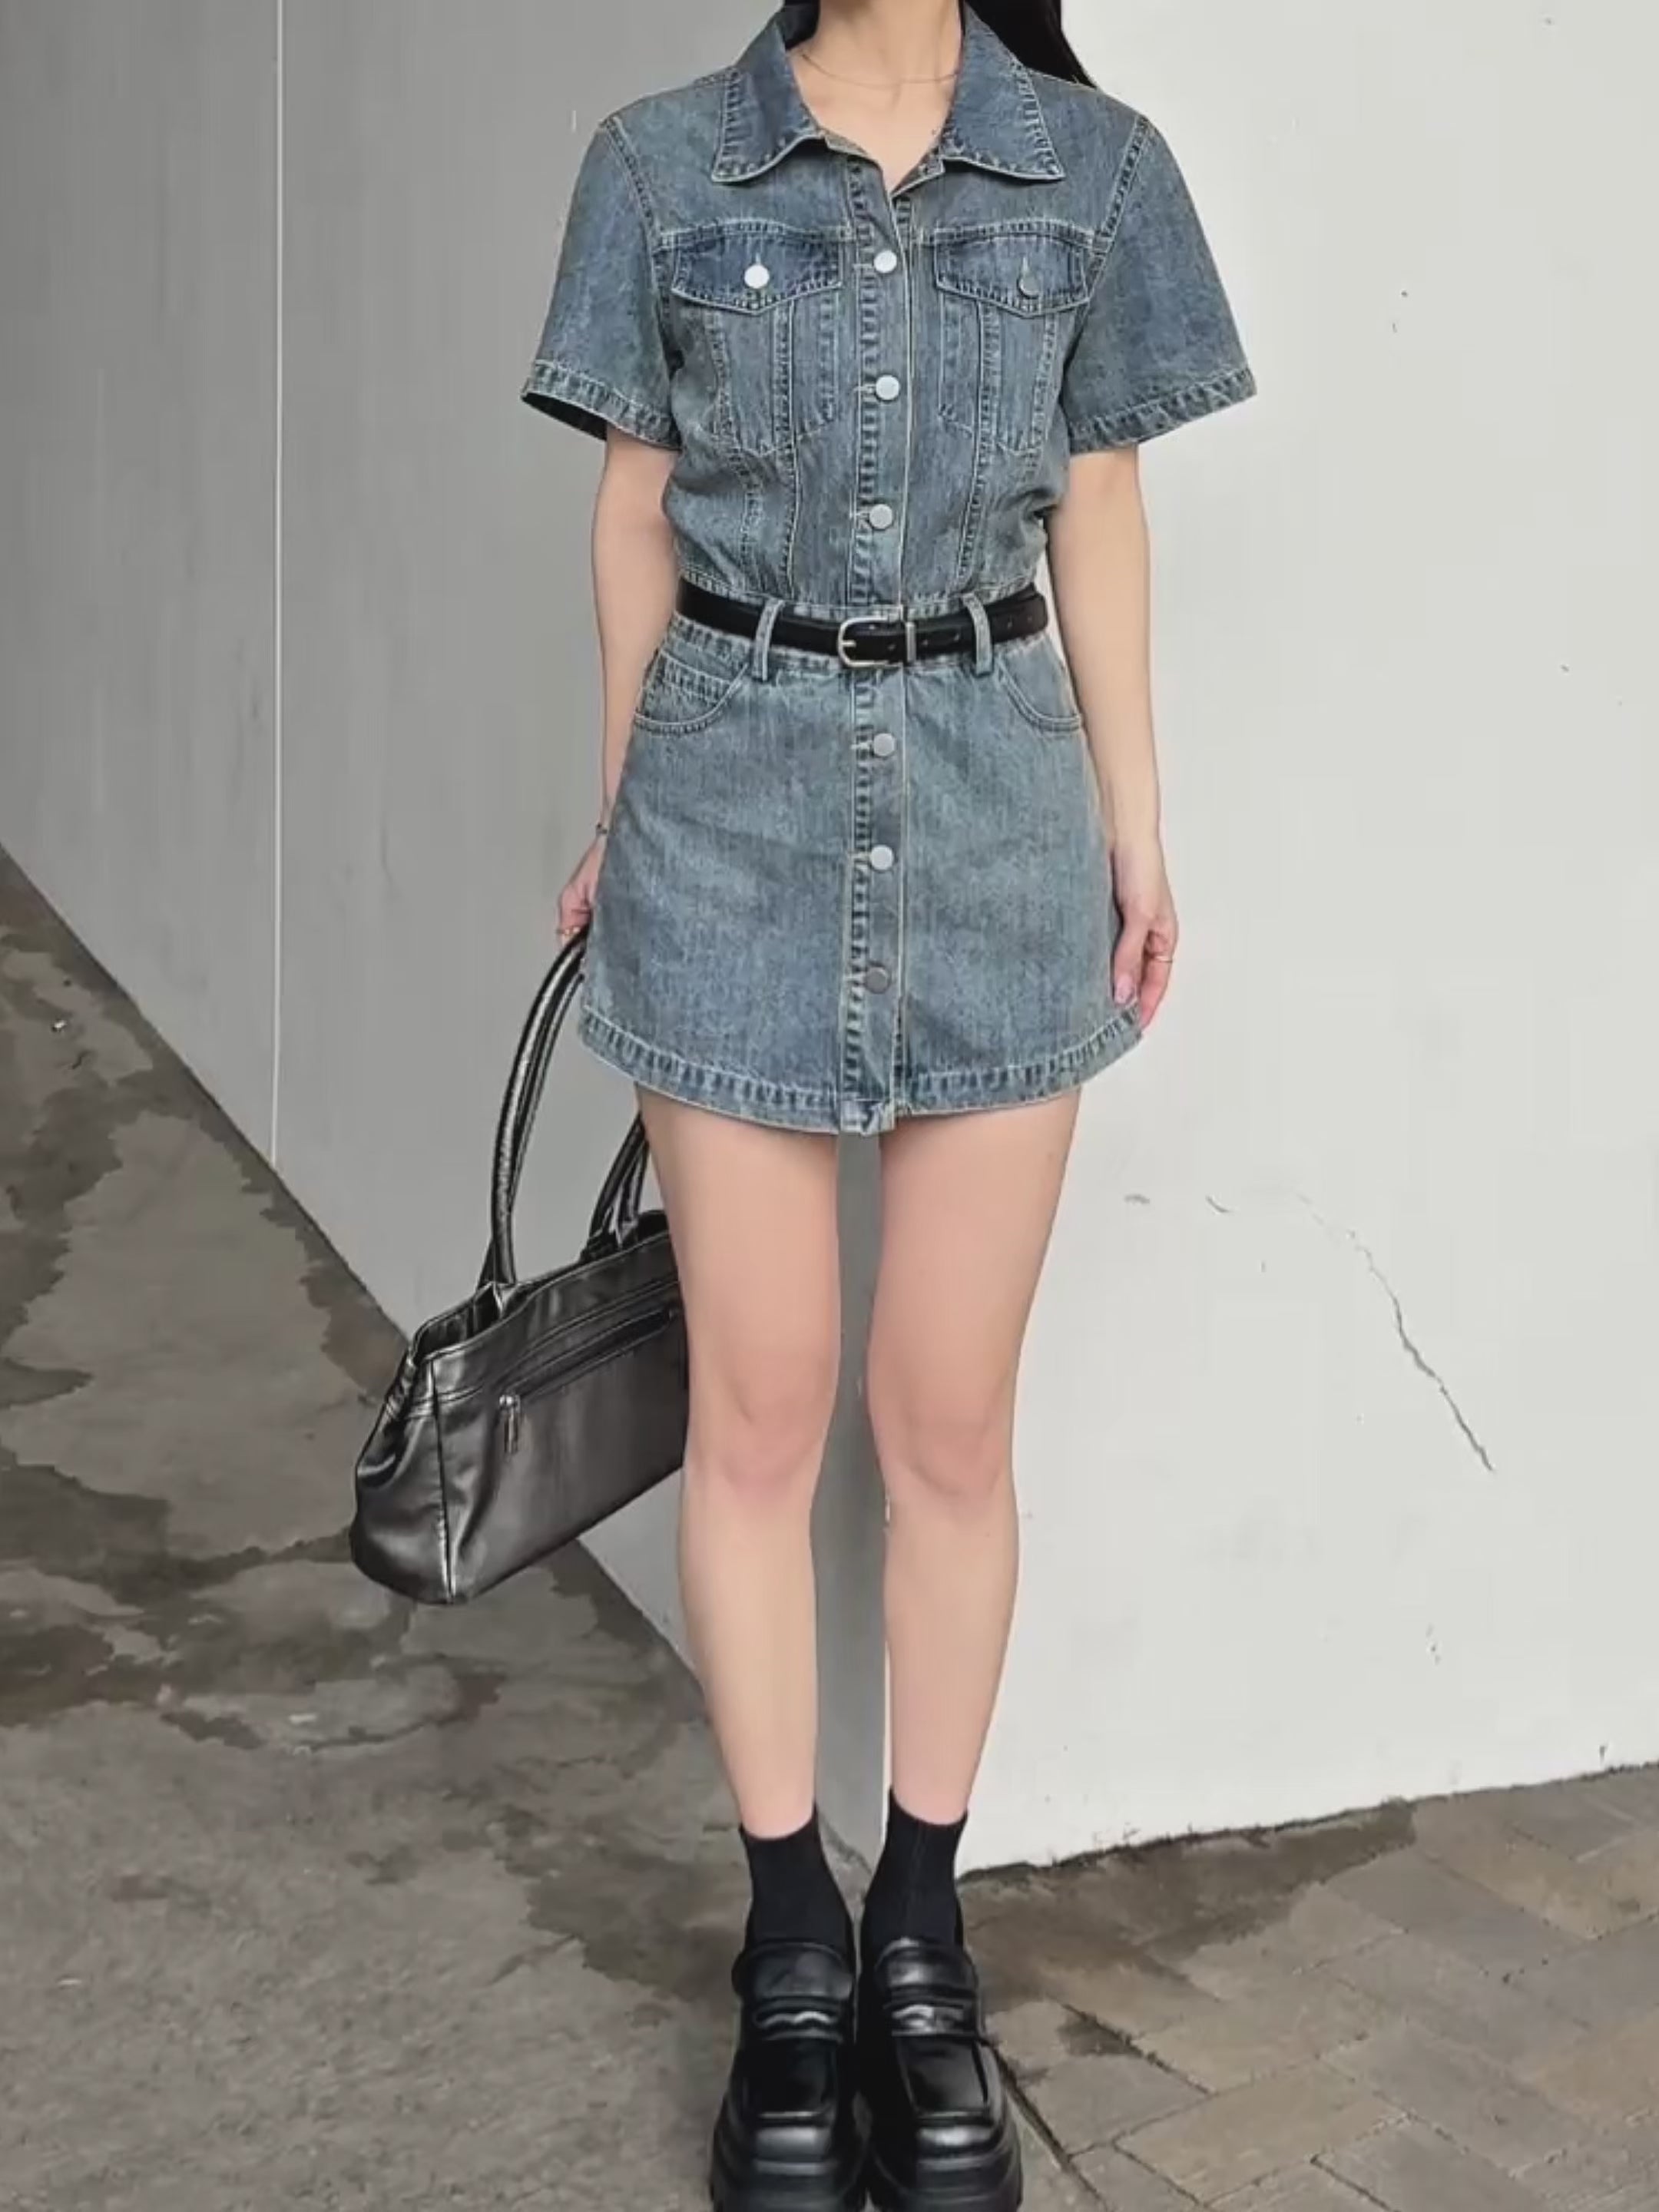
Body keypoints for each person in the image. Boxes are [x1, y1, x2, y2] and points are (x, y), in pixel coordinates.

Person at [522, 2, 1253, 2204]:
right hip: (729, 809)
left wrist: (1137, 832)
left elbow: (1101, 504)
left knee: (943, 1429)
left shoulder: (1099, 171)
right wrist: (625, 805)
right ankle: (790, 1958)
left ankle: (918, 1935)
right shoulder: (660, 163)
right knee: (759, 1420)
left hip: (1000, 822)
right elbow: (631, 513)